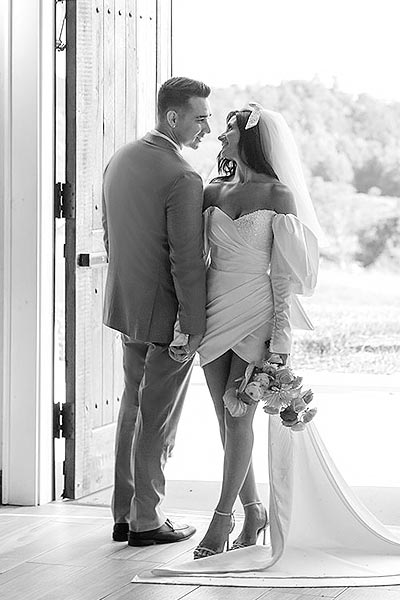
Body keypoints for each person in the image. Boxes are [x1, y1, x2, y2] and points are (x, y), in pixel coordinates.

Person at [153, 105, 400, 579]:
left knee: (238, 414)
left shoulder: (278, 193)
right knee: (225, 425)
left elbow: (284, 274)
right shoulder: (212, 189)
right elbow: (191, 260)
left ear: (249, 141)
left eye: (225, 132)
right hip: (212, 312)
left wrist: (280, 342)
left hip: (258, 312)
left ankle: (220, 522)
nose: (218, 138)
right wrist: (188, 322)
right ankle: (254, 513)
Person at [102, 77, 211, 546]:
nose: (205, 126)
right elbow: (186, 260)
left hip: (128, 307)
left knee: (132, 407)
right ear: (174, 117)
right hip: (168, 319)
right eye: (199, 116)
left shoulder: (119, 158)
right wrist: (194, 324)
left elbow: (108, 232)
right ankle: (148, 520)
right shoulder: (183, 177)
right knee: (157, 417)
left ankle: (124, 513)